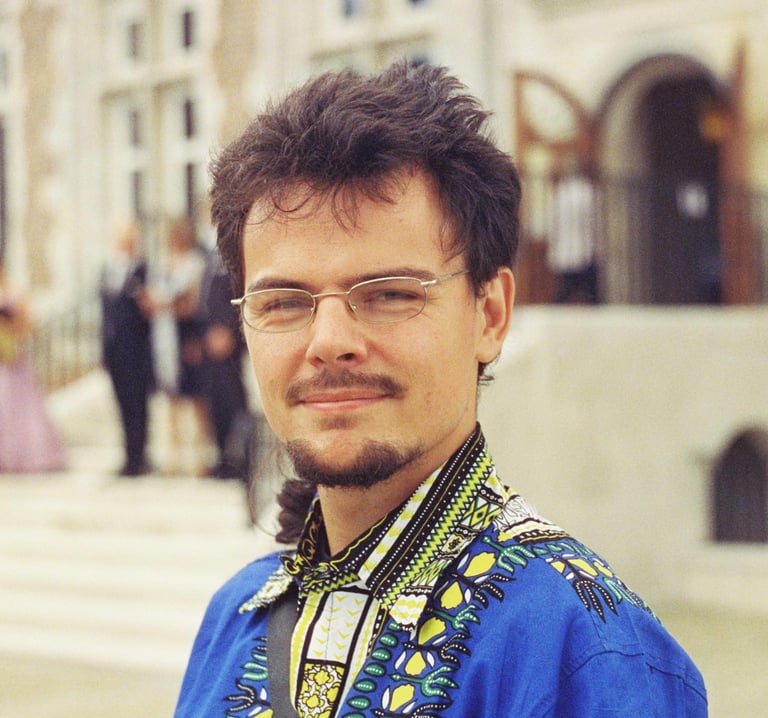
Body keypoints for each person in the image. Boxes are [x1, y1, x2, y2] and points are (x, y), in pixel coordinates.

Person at [174, 62, 707, 717]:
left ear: (490, 315)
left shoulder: (585, 648)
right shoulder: (234, 618)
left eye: (390, 294)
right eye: (284, 302)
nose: (329, 341)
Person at [146, 216, 211, 475]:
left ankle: (199, 457)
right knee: (170, 398)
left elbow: (191, 304)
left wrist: (167, 304)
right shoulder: (163, 262)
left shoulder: (194, 263)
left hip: (187, 335)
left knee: (194, 399)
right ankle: (172, 457)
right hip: (165, 337)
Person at [0, 260, 67, 473]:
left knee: (16, 407)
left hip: (12, 360)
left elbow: (29, 327)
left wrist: (9, 324)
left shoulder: (15, 293)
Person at [99, 221, 154, 476]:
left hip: (136, 351)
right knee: (122, 404)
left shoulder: (143, 269)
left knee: (138, 405)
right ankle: (128, 456)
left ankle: (139, 457)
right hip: (114, 350)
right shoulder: (107, 270)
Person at [548, 160, 601, 304]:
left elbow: (554, 223)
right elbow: (595, 222)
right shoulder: (587, 192)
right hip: (583, 250)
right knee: (584, 291)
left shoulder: (562, 192)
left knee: (572, 288)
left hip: (569, 250)